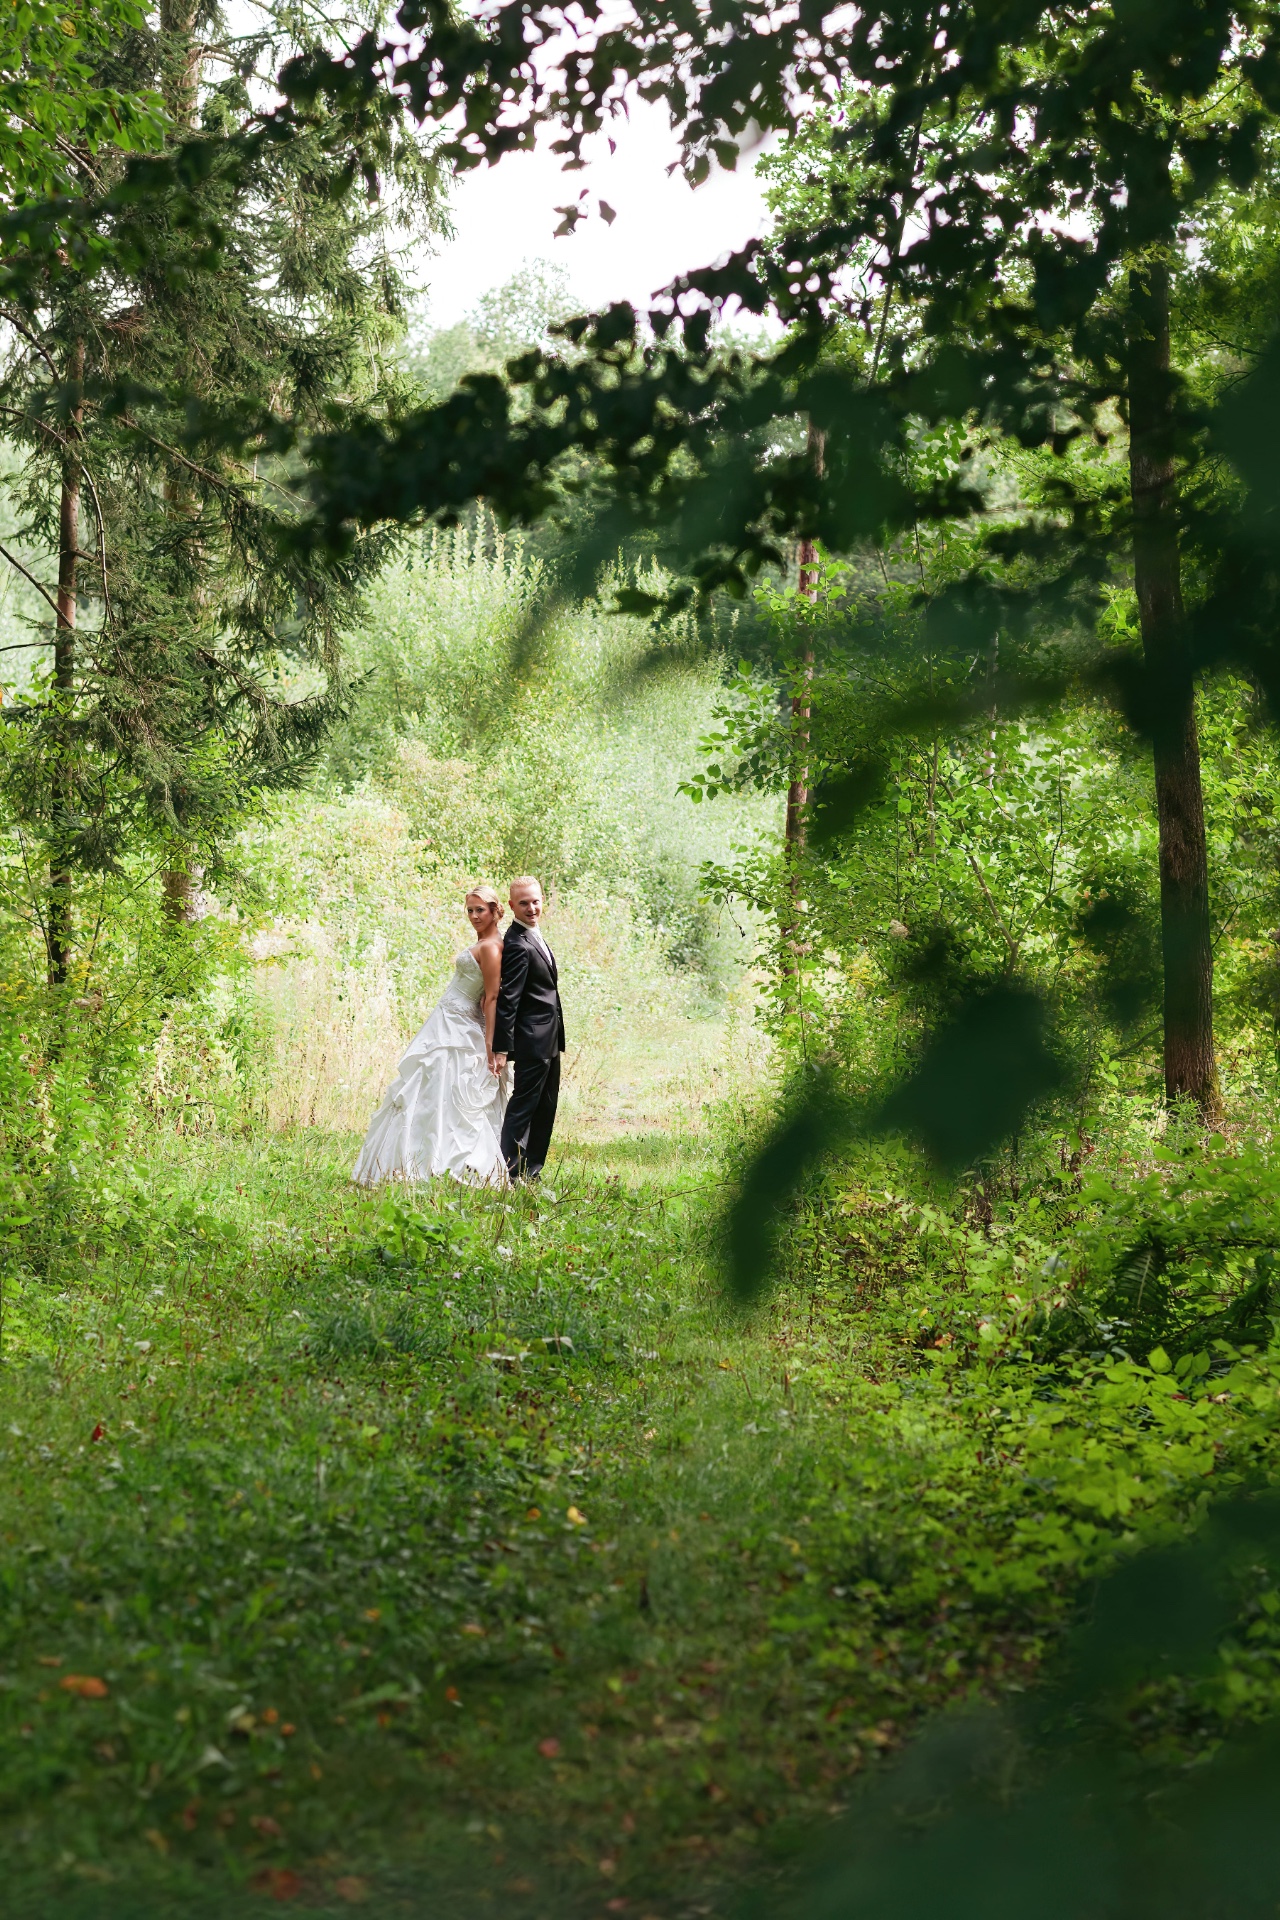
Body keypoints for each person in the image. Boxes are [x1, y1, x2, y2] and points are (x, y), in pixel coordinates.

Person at [352, 887, 509, 1187]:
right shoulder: (484, 943)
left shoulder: (491, 947)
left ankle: (441, 1159)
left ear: (494, 911)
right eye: (470, 910)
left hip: (459, 1026)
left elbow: (491, 997)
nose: (474, 916)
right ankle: (418, 1157)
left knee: (445, 1088)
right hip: (447, 1018)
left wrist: (491, 1044)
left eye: (480, 910)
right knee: (429, 1087)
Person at [492, 875, 565, 1182]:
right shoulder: (516, 943)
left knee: (545, 1108)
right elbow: (508, 999)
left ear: (542, 899)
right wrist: (501, 1047)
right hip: (532, 1041)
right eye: (524, 903)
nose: (532, 908)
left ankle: (531, 1171)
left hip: (550, 1038)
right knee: (523, 1108)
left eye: (535, 901)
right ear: (512, 906)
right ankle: (509, 1172)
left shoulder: (534, 935)